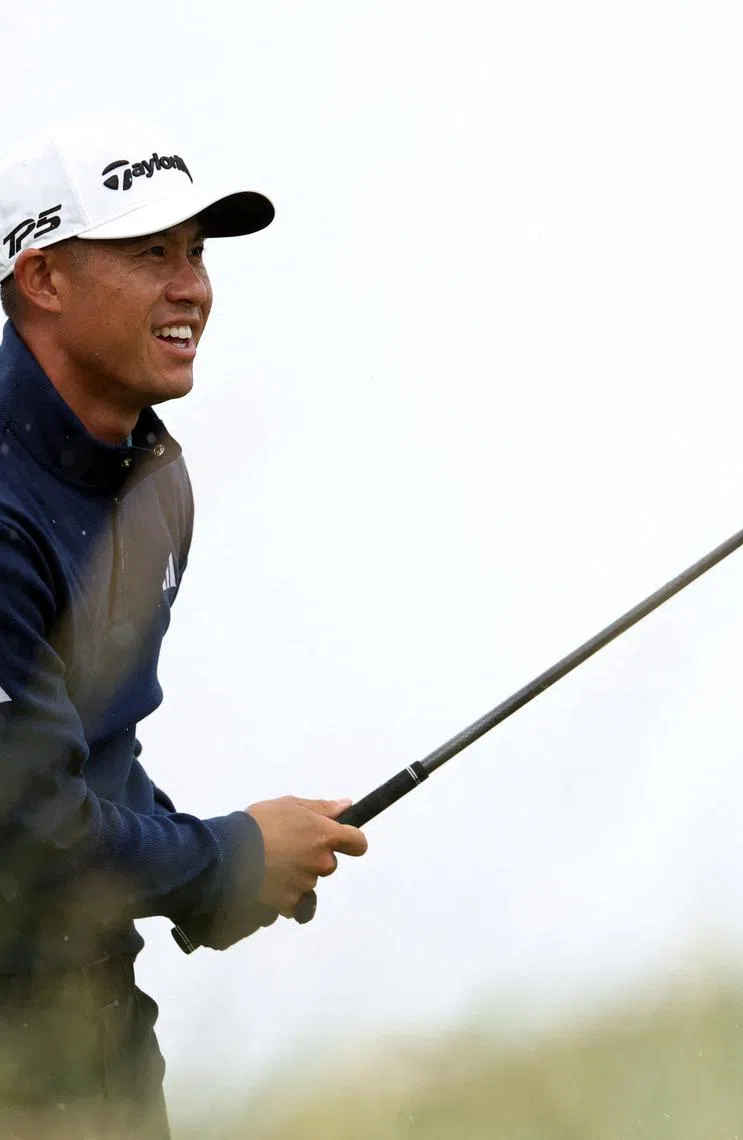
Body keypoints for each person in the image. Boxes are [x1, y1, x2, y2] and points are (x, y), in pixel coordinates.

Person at [0, 114, 368, 1137]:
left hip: (103, 1042)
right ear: (42, 280)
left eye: (197, 253)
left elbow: (91, 758)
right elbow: (22, 830)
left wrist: (209, 880)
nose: (191, 286)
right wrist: (223, 858)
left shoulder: (153, 482)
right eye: (148, 253)